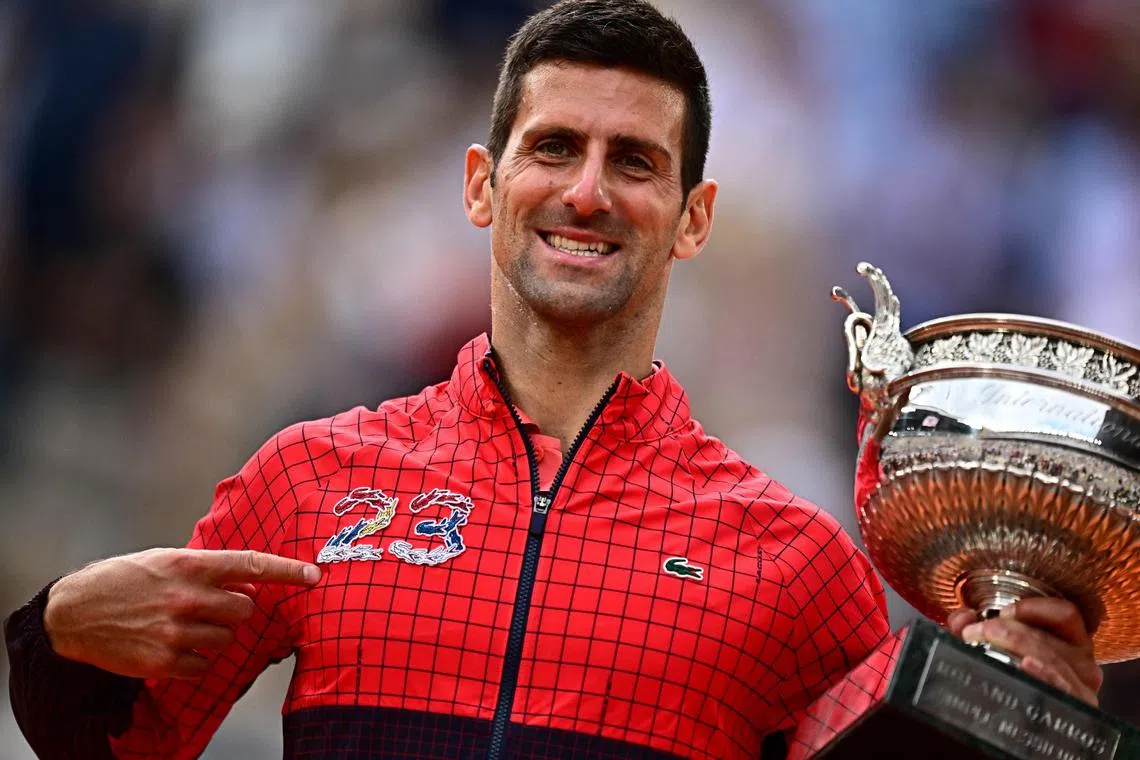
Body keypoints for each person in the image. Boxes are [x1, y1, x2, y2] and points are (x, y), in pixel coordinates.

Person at [4, 1, 1102, 758]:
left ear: (694, 217)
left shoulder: (795, 561)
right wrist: (54, 633)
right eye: (554, 147)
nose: (587, 191)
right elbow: (124, 742)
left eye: (635, 161)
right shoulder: (310, 483)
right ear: (483, 185)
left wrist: (1011, 707)